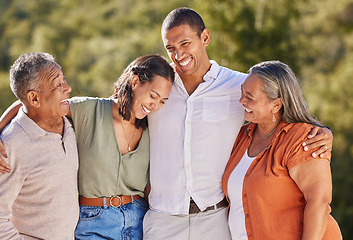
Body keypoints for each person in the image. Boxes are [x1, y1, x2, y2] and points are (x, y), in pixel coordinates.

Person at [143, 7, 334, 240]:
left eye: (185, 44)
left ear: (205, 38)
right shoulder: (157, 87)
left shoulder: (239, 85)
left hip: (215, 219)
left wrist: (323, 132)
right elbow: (123, 104)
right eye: (170, 48)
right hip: (163, 220)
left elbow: (283, 105)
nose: (178, 54)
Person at [0, 54, 174, 240]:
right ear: (135, 81)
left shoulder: (153, 124)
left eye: (162, 101)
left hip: (139, 223)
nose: (155, 105)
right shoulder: (88, 111)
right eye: (153, 96)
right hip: (94, 224)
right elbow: (33, 104)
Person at [222, 60, 342, 240]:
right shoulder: (241, 136)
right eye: (242, 93)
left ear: (276, 105)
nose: (241, 100)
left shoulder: (302, 139)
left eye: (249, 97)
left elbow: (319, 201)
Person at [0, 52, 79, 239]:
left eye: (63, 80)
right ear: (34, 99)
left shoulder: (71, 119)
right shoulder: (8, 146)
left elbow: (22, 104)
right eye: (58, 85)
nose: (68, 88)